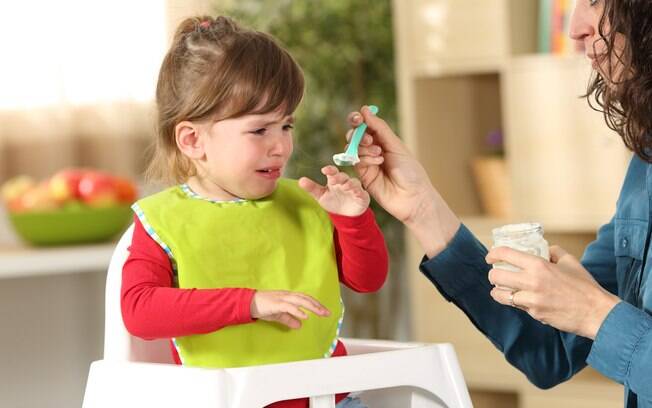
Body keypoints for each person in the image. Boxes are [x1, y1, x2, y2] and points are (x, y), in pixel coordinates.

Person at [345, 1, 651, 407]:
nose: (576, 28)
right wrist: (422, 209)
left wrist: (597, 314)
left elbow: (594, 319)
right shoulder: (644, 169)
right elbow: (552, 350)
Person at [120, 16, 388, 408]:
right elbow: (140, 311)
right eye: (260, 130)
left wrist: (353, 219)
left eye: (286, 126)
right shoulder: (164, 221)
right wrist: (249, 303)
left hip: (330, 400)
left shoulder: (305, 202)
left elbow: (368, 279)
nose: (280, 146)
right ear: (193, 140)